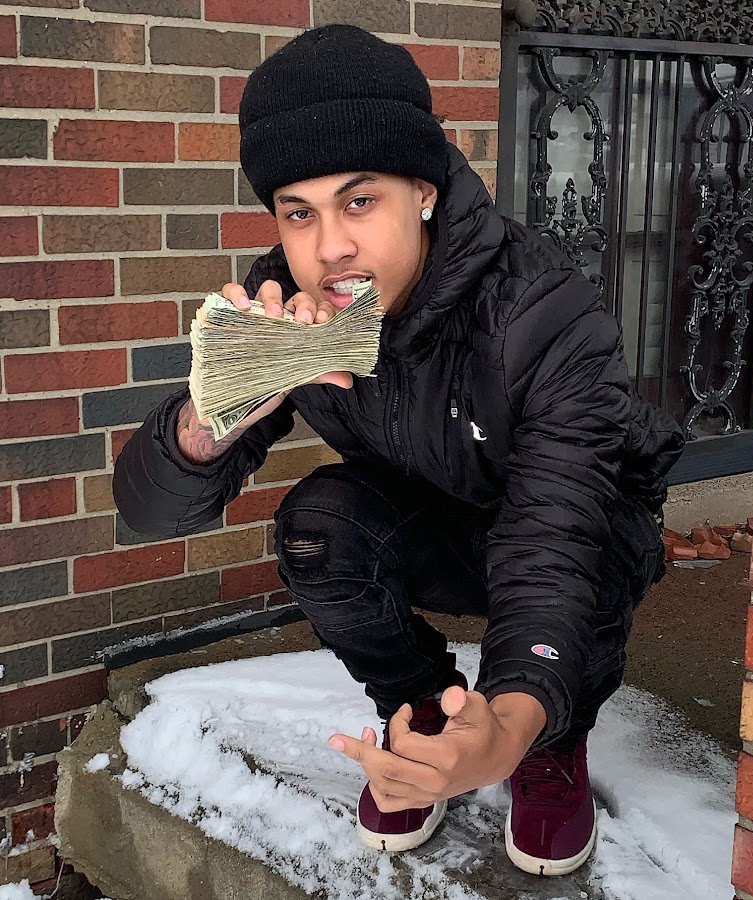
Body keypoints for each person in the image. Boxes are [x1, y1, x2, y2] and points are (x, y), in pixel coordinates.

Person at [113, 24, 684, 878]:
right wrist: (215, 413)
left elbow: (553, 539)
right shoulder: (285, 308)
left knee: (592, 562)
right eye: (298, 213)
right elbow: (147, 511)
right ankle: (420, 714)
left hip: (574, 528)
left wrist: (511, 723)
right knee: (317, 526)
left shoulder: (542, 312)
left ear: (422, 190)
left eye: (359, 202)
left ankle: (549, 747)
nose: (329, 248)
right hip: (434, 517)